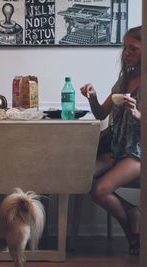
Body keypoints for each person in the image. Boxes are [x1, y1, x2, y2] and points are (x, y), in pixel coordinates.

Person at [79, 26, 141, 255]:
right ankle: (133, 223)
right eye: (125, 47)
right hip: (116, 148)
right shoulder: (125, 79)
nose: (126, 52)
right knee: (79, 177)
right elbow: (101, 114)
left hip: (137, 152)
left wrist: (137, 114)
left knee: (100, 190)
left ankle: (133, 228)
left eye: (133, 48)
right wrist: (92, 97)